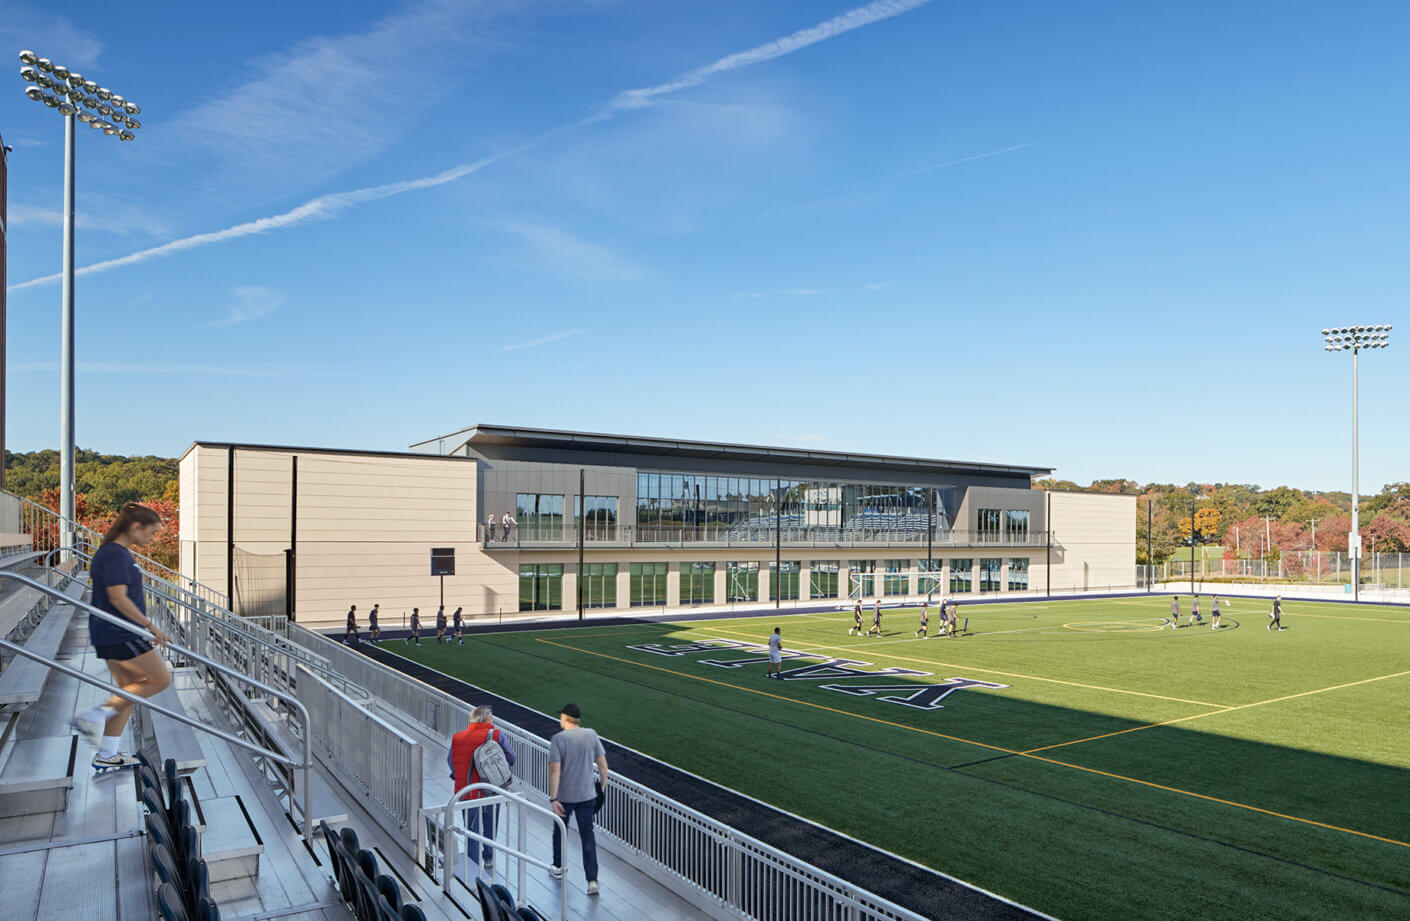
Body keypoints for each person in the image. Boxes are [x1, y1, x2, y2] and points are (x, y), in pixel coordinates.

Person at [71, 503, 173, 775]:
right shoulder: (115, 555)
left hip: (111, 632)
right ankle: (92, 717)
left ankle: (106, 754)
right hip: (121, 632)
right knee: (161, 680)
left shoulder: (113, 553)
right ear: (135, 527)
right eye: (150, 533)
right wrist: (151, 627)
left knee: (128, 692)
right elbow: (118, 597)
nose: (152, 539)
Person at [548, 703, 609, 897]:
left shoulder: (558, 739)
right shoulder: (591, 735)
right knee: (587, 836)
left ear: (565, 718)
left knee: (560, 831)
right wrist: (601, 788)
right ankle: (592, 881)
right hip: (587, 795)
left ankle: (558, 867)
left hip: (565, 797)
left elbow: (555, 770)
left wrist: (553, 797)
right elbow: (603, 765)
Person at [449, 705, 517, 874]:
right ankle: (488, 858)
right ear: (486, 719)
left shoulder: (457, 738)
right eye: (492, 717)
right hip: (491, 789)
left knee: (471, 829)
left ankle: (472, 866)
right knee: (490, 824)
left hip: (466, 792)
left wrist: (460, 776)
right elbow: (511, 756)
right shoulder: (495, 735)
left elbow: (450, 761)